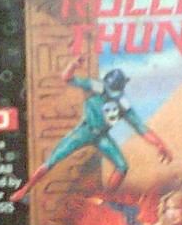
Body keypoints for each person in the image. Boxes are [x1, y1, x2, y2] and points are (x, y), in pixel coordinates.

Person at [10, 53, 171, 202]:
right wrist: (73, 65)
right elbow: (67, 78)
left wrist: (159, 144)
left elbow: (141, 128)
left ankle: (106, 200)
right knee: (52, 160)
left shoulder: (121, 103)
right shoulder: (97, 87)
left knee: (122, 166)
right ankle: (26, 189)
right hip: (84, 132)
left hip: (101, 136)